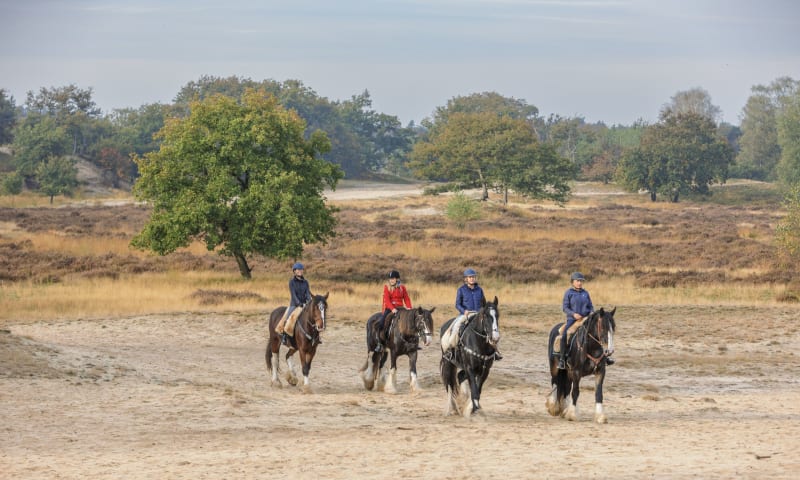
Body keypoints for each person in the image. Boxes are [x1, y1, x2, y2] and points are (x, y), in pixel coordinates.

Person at [442, 268, 502, 361]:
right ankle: (450, 350)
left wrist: (483, 311)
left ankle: (495, 352)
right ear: (466, 279)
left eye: (473, 277)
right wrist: (464, 311)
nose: (472, 279)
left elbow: (483, 303)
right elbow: (457, 304)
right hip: (465, 314)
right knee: (457, 327)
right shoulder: (461, 290)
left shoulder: (479, 290)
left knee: (491, 328)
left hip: (478, 315)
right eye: (470, 277)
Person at [558, 272, 613, 368]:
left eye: (581, 281)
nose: (580, 283)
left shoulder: (585, 293)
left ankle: (604, 357)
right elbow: (565, 308)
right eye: (577, 281)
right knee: (565, 334)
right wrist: (573, 314)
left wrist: (591, 312)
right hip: (573, 320)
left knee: (598, 332)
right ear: (573, 282)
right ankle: (562, 359)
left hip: (586, 318)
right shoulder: (568, 293)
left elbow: (590, 306)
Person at [373, 270, 412, 352]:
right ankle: (380, 343)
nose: (391, 280)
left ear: (397, 279)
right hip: (390, 309)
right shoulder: (386, 287)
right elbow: (386, 300)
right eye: (390, 279)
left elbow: (406, 298)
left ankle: (412, 342)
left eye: (393, 278)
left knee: (411, 321)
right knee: (381, 323)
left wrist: (409, 308)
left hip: (401, 308)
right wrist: (392, 309)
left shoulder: (402, 288)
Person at [276, 262, 313, 343]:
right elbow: (293, 294)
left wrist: (310, 301)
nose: (300, 271)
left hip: (304, 304)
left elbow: (307, 293)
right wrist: (299, 303)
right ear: (294, 271)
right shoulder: (292, 282)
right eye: (298, 270)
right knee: (288, 318)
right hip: (294, 304)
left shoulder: (306, 282)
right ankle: (284, 335)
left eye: (301, 269)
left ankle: (315, 337)